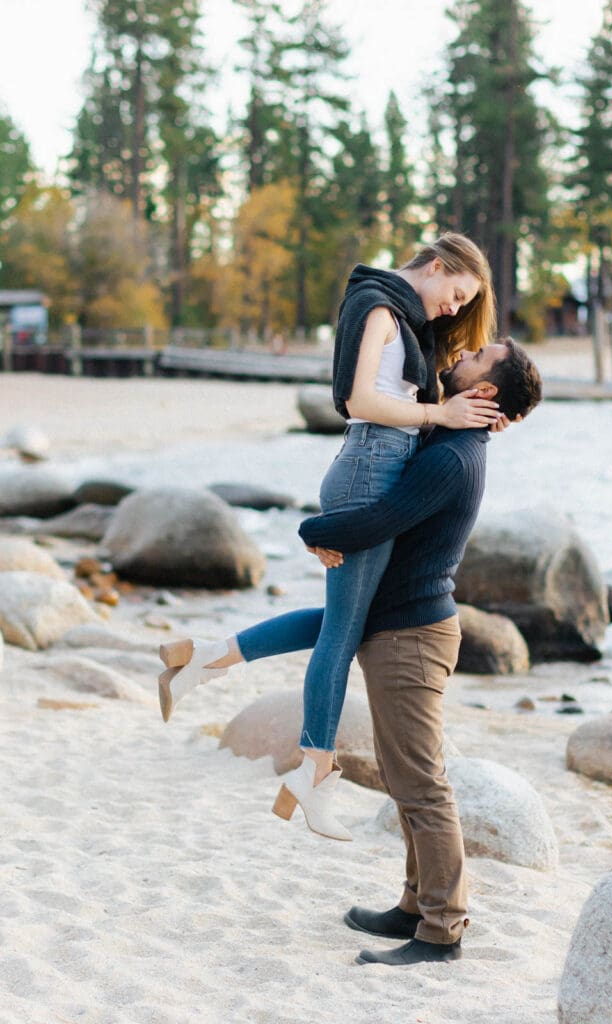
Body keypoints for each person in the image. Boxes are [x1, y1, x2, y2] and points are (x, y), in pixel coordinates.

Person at [158, 339, 542, 967]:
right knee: (405, 777)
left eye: (480, 353)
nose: (468, 349)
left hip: (412, 639)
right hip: (399, 630)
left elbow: (381, 518)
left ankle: (443, 929)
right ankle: (415, 904)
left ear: (488, 391)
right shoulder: (451, 438)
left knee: (422, 784)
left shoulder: (455, 456)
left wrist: (310, 530)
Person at [158, 233, 502, 841]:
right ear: (437, 266)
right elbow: (356, 398)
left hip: (378, 466)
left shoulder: (402, 312)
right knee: (344, 631)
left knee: (347, 619)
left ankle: (204, 658)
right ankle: (313, 770)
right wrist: (438, 415)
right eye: (455, 294)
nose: (452, 308)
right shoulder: (375, 305)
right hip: (368, 467)